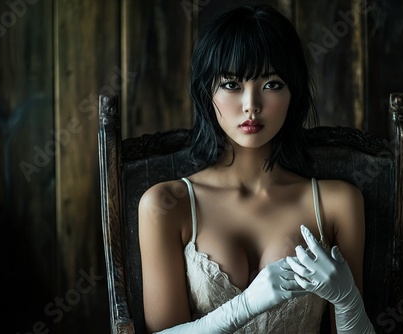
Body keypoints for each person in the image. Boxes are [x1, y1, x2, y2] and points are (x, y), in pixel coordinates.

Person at [138, 4, 375, 333]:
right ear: (208, 92)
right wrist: (245, 305)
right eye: (232, 85)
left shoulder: (337, 203)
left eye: (272, 84)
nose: (251, 105)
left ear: (294, 94)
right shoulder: (167, 204)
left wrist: (348, 300)